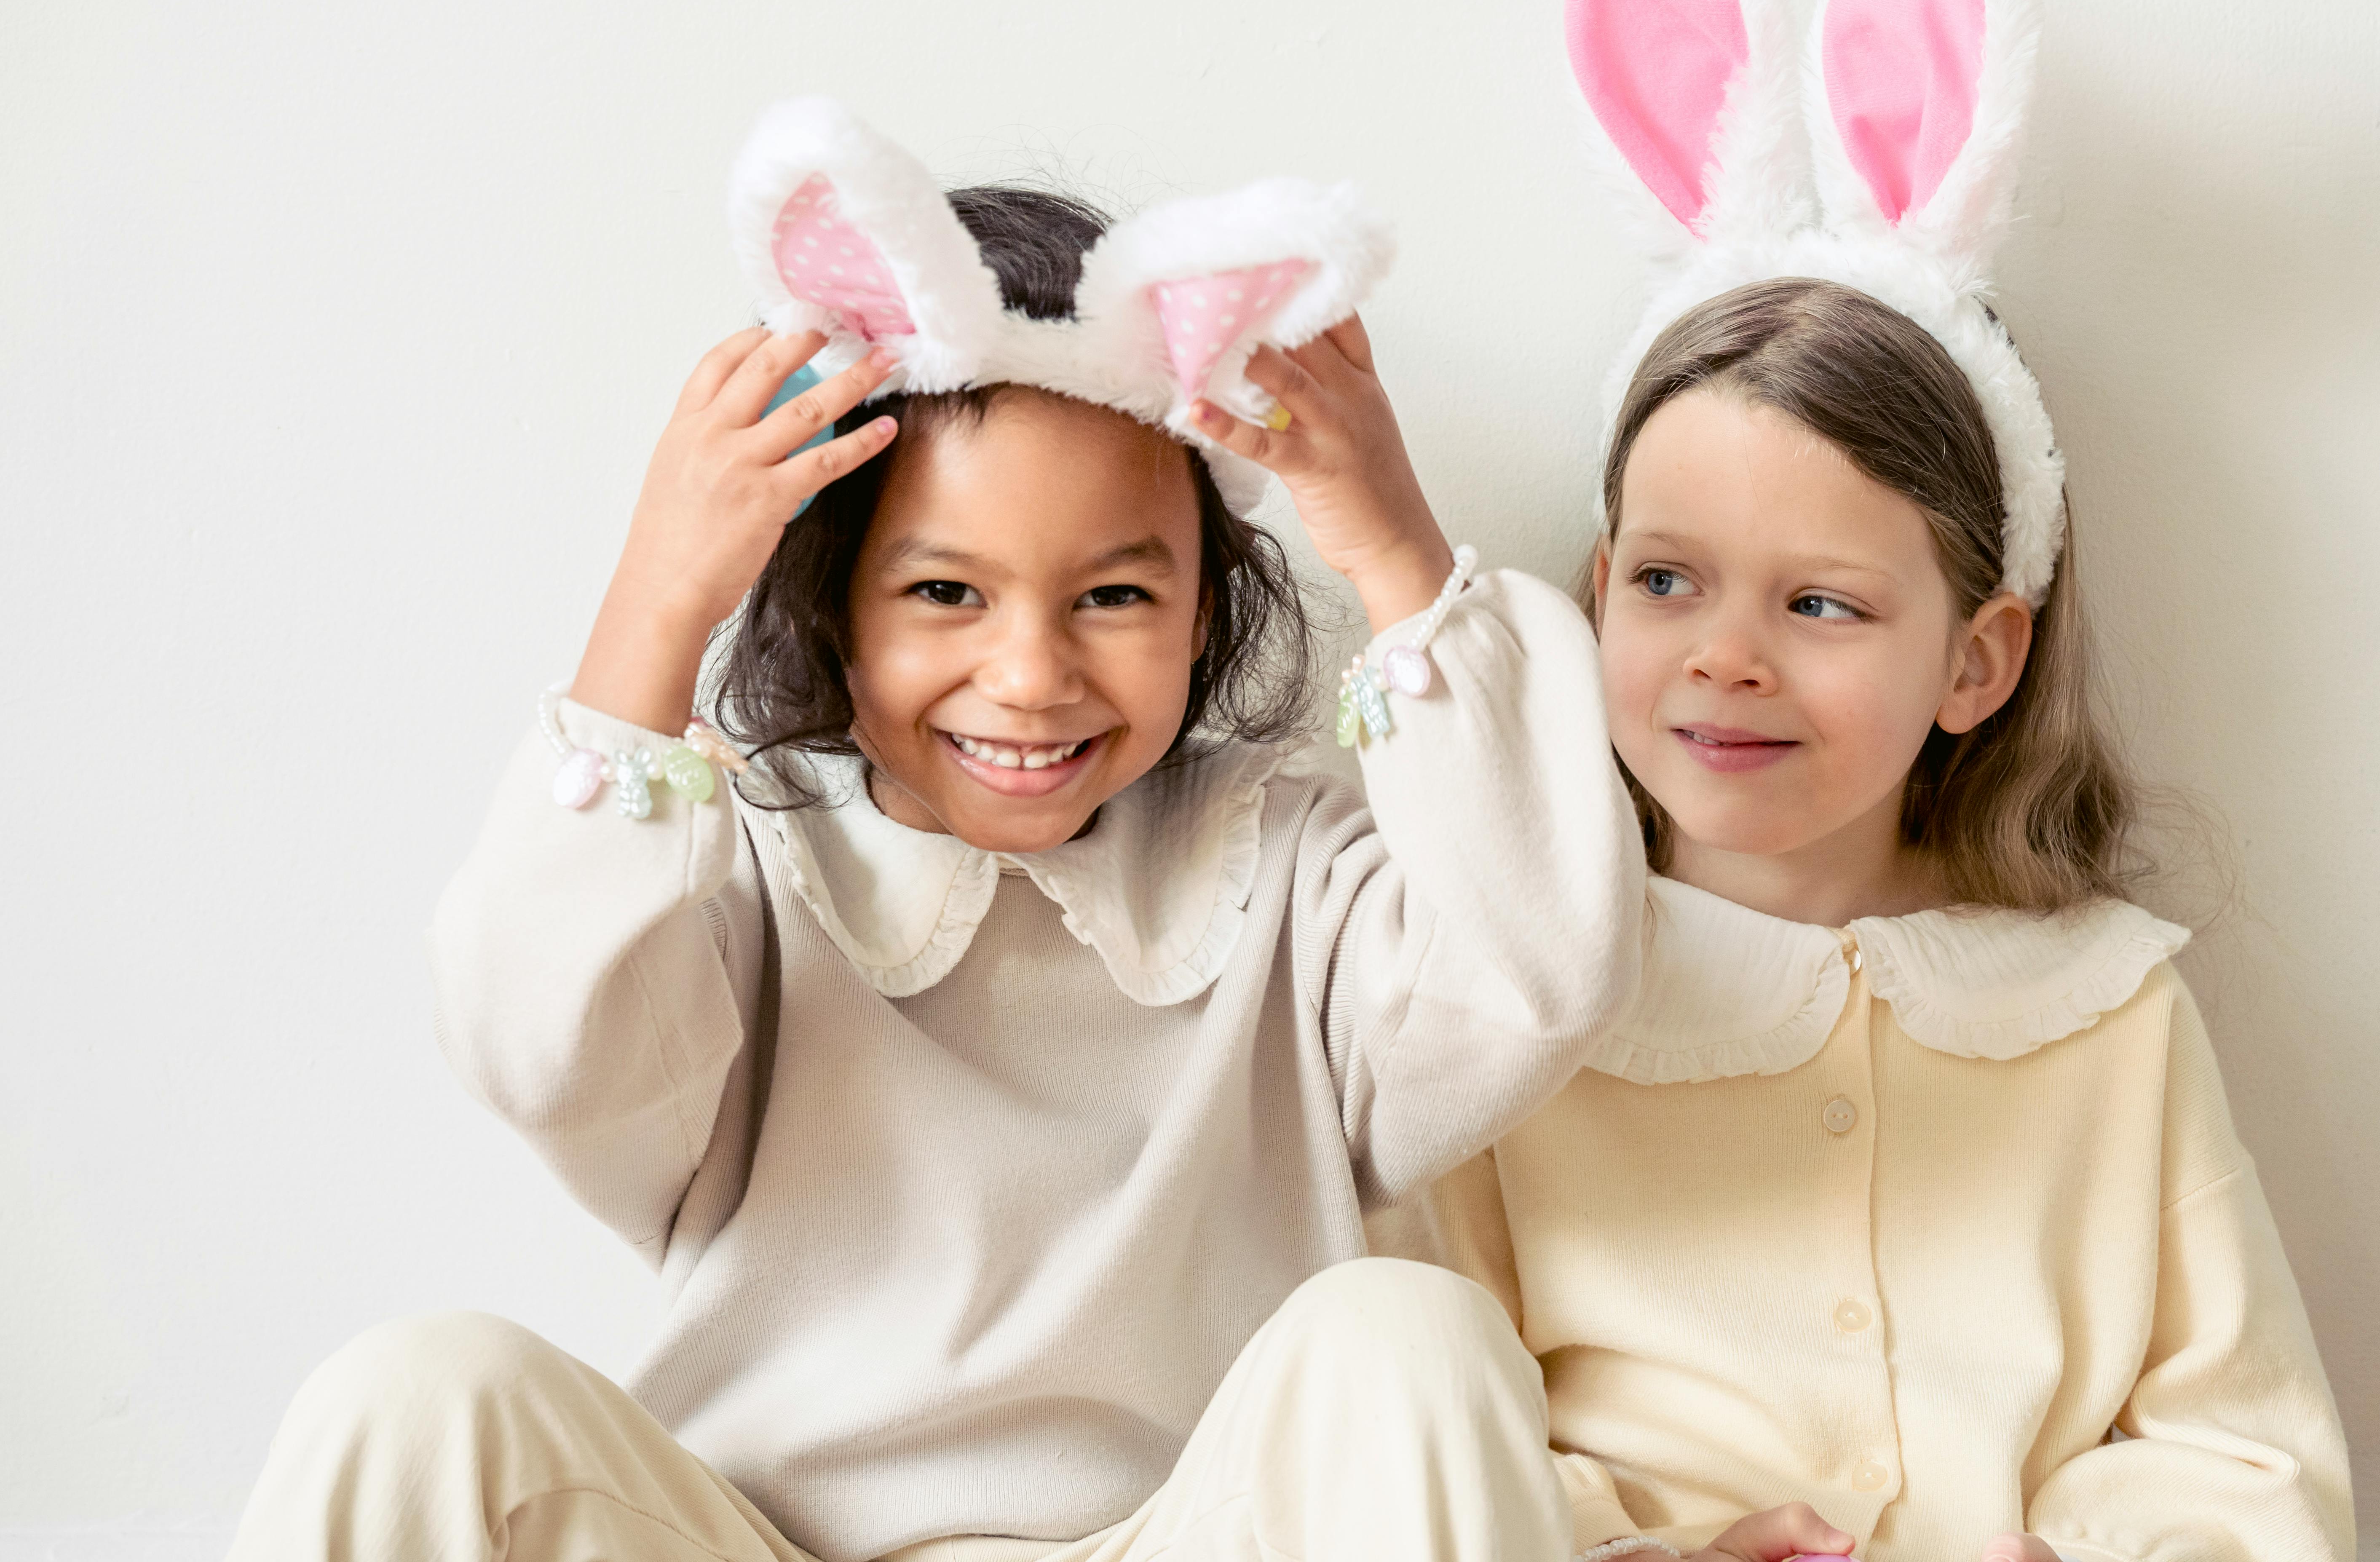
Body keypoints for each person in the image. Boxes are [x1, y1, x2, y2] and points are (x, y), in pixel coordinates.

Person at [226, 104, 1644, 1562]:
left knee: (1410, 1332)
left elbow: (1538, 978)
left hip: (1193, 1532)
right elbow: (539, 1048)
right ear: (832, 610)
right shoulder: (742, 871)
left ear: (1208, 612)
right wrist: (653, 611)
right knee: (416, 1395)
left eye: (1113, 597)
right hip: (760, 1542)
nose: (1030, 677)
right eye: (944, 595)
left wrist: (1393, 543)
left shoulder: (1286, 865)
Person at [1409, 0, 2354, 1561]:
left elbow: (2246, 1449)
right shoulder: (1508, 1006)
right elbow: (1414, 1416)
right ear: (1600, 582)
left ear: (1979, 661)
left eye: (1823, 604)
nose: (1728, 660)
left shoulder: (2106, 1015)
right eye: (1670, 583)